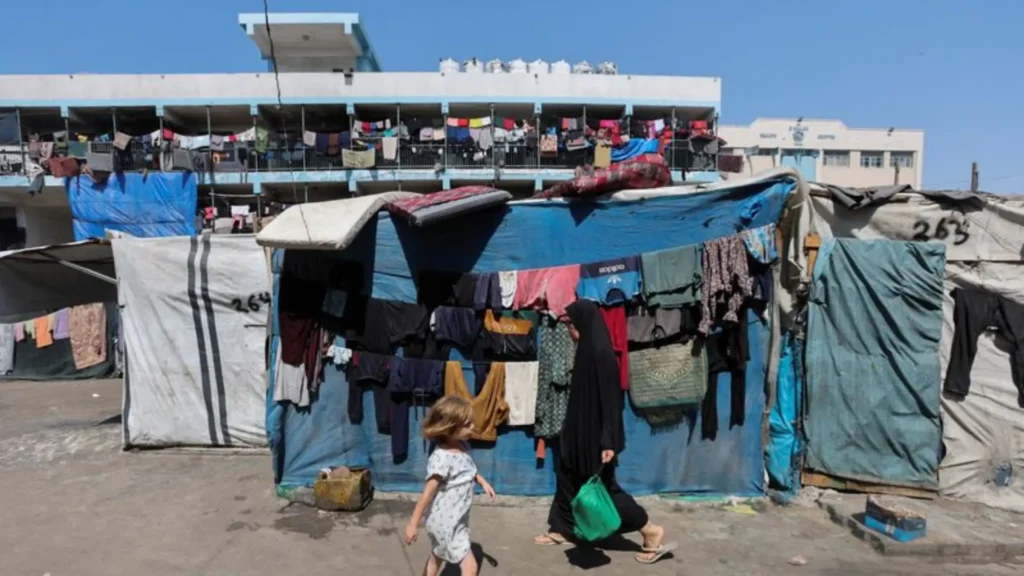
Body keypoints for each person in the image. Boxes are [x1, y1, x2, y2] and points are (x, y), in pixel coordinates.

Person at [533, 299, 676, 564]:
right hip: (577, 437)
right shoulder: (586, 352)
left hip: (595, 441)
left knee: (604, 492)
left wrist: (607, 441)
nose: (569, 331)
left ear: (585, 325)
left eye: (572, 326)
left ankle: (649, 530)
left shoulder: (601, 355)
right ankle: (565, 529)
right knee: (566, 479)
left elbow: (611, 404)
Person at [405, 396, 496, 576]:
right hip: (446, 522)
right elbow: (427, 493)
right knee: (470, 567)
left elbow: (468, 469)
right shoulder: (442, 457)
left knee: (436, 556)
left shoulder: (463, 445)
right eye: (467, 424)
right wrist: (412, 523)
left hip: (457, 520)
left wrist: (482, 481)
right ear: (449, 428)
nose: (472, 427)